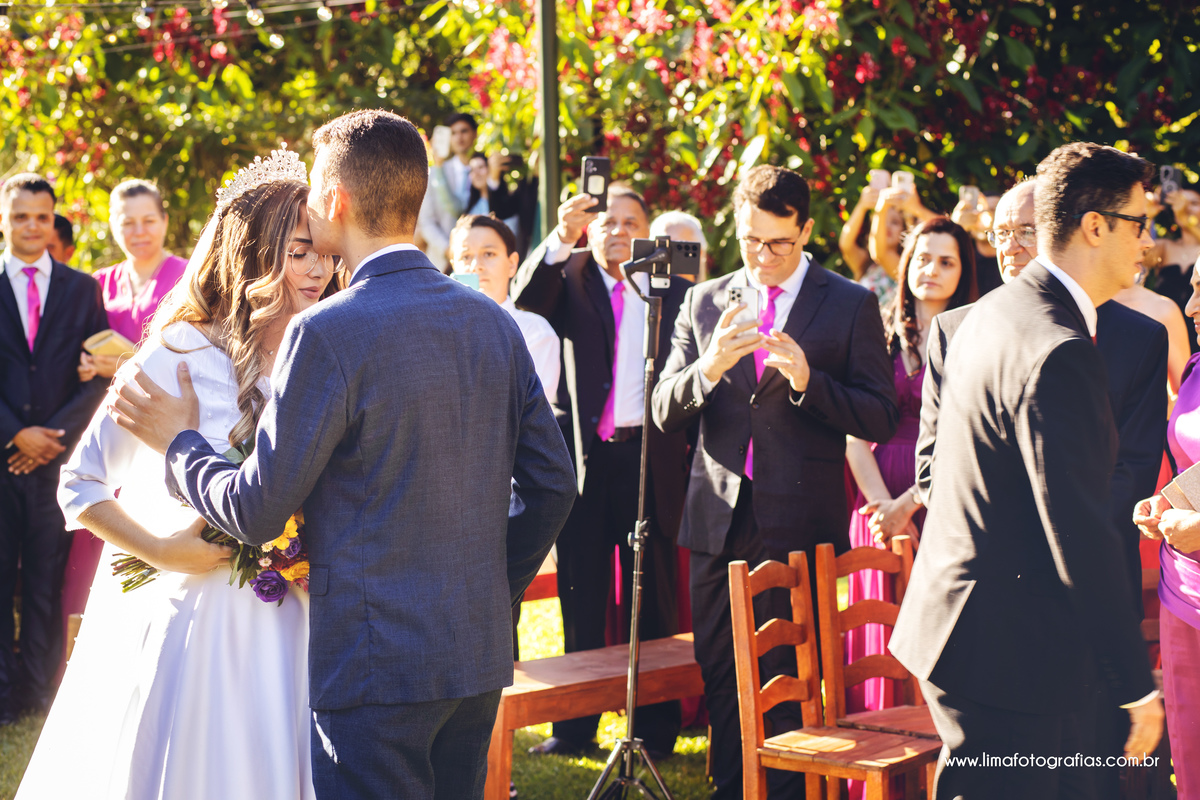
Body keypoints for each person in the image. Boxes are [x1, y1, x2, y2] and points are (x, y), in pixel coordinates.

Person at [110, 109, 577, 799]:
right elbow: (555, 485)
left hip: (373, 663)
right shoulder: (490, 319)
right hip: (472, 654)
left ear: (336, 201)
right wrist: (489, 588)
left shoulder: (327, 331)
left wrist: (178, 445)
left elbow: (259, 508)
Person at [18, 160, 338, 798]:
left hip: (297, 622)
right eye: (300, 253)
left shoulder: (325, 351)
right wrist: (165, 550)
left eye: (326, 255)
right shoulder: (179, 354)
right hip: (198, 627)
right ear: (251, 255)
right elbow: (78, 484)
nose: (318, 271)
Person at [893, 143, 1165, 799]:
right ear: (1095, 225)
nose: (1148, 244)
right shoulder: (1060, 349)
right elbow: (1078, 527)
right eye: (1139, 223)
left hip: (971, 635)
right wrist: (1134, 683)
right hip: (1009, 654)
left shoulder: (992, 314)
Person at [651, 164, 898, 798]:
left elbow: (879, 412)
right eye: (750, 240)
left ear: (807, 230)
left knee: (786, 682)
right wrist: (705, 370)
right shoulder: (703, 300)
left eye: (779, 244)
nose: (762, 256)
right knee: (722, 677)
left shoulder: (849, 303)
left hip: (798, 523)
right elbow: (661, 408)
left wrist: (810, 383)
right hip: (716, 520)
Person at [513, 185, 689, 759]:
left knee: (653, 598)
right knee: (580, 592)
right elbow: (526, 302)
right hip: (585, 462)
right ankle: (575, 728)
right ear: (589, 228)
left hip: (647, 460)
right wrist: (561, 237)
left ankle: (657, 728)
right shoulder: (571, 279)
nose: (616, 230)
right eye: (605, 220)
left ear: (647, 230)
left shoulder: (668, 287)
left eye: (629, 220)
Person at [844, 217, 977, 717]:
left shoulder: (976, 336)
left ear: (963, 272)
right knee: (877, 629)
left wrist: (909, 504)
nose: (932, 270)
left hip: (940, 497)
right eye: (923, 258)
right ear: (906, 264)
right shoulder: (877, 331)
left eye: (947, 262)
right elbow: (855, 436)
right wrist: (883, 508)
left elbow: (968, 436)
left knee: (935, 634)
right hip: (876, 500)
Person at [64, 180, 190, 673]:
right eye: (126, 222)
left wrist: (124, 362)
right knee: (89, 544)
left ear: (164, 221)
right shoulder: (100, 283)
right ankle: (87, 658)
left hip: (162, 429)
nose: (138, 231)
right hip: (103, 425)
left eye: (148, 220)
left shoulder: (185, 276)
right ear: (112, 226)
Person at [0, 174, 108, 724]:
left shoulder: (80, 289)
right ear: (4, 220)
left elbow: (96, 377)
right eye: (20, 216)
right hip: (1, 458)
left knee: (44, 579)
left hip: (54, 464)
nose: (32, 226)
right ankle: (1, 696)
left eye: (41, 216)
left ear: (53, 220)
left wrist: (50, 439)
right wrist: (14, 434)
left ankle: (41, 693)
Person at [1133, 254, 1200, 800]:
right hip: (1182, 592)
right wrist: (1162, 503)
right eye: (1193, 288)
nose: (1192, 306)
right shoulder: (1197, 370)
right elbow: (1188, 467)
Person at [449, 213, 560, 422]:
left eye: (489, 254)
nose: (476, 265)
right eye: (465, 257)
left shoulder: (534, 331)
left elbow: (530, 416)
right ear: (453, 265)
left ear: (512, 263)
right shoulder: (438, 329)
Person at [417, 113, 511, 271]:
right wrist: (449, 249)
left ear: (475, 134)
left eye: (464, 131)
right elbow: (426, 221)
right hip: (441, 261)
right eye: (453, 133)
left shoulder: (487, 169)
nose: (459, 137)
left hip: (482, 261)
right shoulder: (435, 174)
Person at [1148, 185, 1200, 332]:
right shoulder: (1165, 246)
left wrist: (1187, 219)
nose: (1185, 207)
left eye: (1194, 203)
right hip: (1167, 334)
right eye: (1182, 202)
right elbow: (1141, 258)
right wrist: (1148, 216)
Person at [839, 181, 899, 307]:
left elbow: (881, 253)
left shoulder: (902, 266)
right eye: (882, 220)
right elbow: (846, 244)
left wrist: (881, 209)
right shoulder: (866, 264)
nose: (886, 226)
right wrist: (862, 206)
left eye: (895, 222)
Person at [650, 210, 708, 282]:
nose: (667, 256)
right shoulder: (638, 291)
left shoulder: (711, 292)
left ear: (700, 253)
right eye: (661, 248)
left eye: (679, 247)